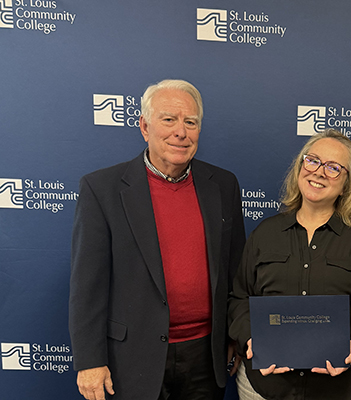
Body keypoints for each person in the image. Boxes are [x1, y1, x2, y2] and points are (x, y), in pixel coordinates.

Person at [69, 79, 246, 400]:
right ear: (144, 126)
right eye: (169, 119)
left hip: (206, 355)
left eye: (190, 122)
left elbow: (235, 270)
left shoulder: (223, 184)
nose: (181, 131)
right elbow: (87, 284)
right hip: (132, 357)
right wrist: (90, 361)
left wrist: (234, 334)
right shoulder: (102, 189)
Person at [228, 129, 351, 400]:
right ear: (300, 167)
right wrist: (251, 339)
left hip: (339, 389)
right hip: (264, 388)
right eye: (312, 160)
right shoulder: (265, 234)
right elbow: (239, 300)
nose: (318, 172)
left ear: (346, 184)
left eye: (333, 168)